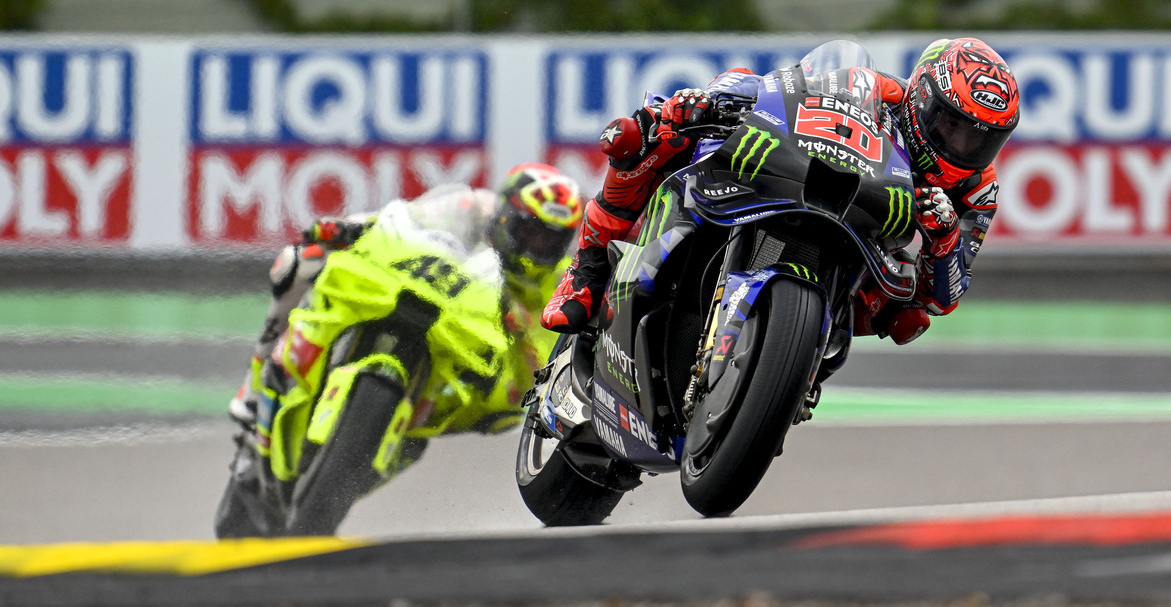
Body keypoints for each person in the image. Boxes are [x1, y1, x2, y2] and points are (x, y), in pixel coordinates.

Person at [541, 37, 1020, 347]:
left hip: (867, 243)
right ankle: (587, 270)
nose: (962, 146)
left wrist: (944, 238)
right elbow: (781, 89)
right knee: (648, 132)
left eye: (981, 141)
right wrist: (712, 100)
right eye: (952, 126)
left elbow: (944, 297)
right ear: (922, 98)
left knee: (908, 317)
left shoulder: (978, 190)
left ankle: (799, 365)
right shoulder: (874, 90)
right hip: (801, 178)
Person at [229, 162, 584, 428]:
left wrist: (519, 336)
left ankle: (391, 438)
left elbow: (541, 371)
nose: (537, 246)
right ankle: (254, 384)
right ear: (506, 215)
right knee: (297, 262)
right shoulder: (471, 208)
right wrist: (352, 227)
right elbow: (404, 219)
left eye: (550, 240)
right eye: (529, 231)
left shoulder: (559, 283)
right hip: (413, 292)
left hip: (467, 356)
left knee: (501, 416)